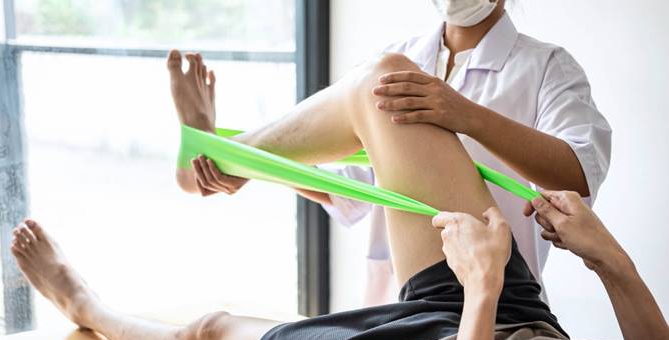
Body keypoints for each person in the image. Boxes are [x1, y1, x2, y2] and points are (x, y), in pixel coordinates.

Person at [9, 50, 668, 340]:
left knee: (206, 334)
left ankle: (85, 304)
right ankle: (214, 157)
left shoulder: (545, 66)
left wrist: (482, 293)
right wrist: (612, 262)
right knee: (384, 83)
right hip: (524, 328)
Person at [184, 0, 613, 307]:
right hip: (392, 306)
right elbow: (351, 188)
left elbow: (576, 172)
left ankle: (225, 149)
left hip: (492, 299)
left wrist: (465, 115)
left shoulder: (546, 66)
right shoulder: (396, 59)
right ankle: (230, 153)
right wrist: (255, 171)